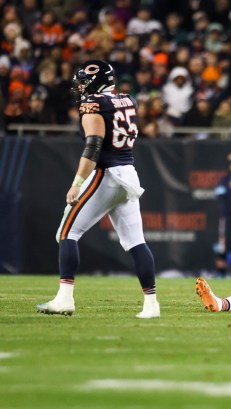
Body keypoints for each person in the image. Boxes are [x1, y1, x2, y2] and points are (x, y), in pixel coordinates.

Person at [36, 60, 159, 318]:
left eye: (83, 80)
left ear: (95, 80)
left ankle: (64, 299)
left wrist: (77, 183)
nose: (80, 85)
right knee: (137, 242)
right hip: (128, 174)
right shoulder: (128, 100)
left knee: (67, 232)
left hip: (107, 173)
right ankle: (151, 305)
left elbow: (93, 146)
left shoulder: (93, 104)